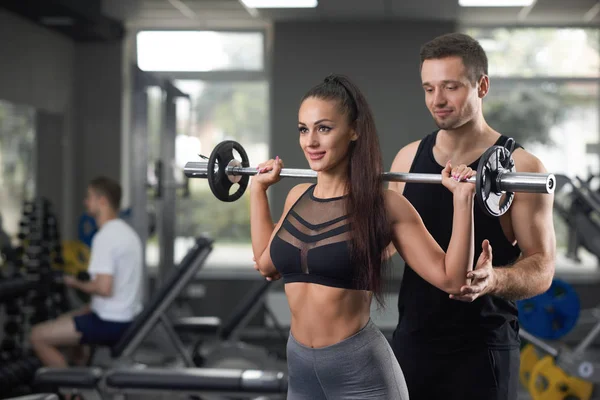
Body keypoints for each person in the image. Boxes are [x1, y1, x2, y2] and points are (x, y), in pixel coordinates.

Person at [251, 73, 492, 399]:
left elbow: (454, 280)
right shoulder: (297, 197)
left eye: (324, 128)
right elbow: (267, 264)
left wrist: (463, 201)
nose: (311, 141)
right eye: (303, 129)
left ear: (354, 130)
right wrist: (258, 191)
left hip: (360, 373)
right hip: (300, 368)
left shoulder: (385, 206)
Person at [388, 32, 556, 400]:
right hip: (413, 345)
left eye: (450, 87)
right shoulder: (407, 160)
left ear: (482, 86)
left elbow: (543, 267)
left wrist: (493, 279)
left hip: (484, 350)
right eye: (429, 88)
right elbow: (386, 244)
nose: (437, 100)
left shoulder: (522, 167)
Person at [30, 176, 144, 370]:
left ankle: (72, 392)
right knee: (65, 320)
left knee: (37, 335)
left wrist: (73, 282)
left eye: (89, 197)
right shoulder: (127, 233)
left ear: (102, 201)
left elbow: (103, 288)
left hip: (110, 323)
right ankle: (82, 374)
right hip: (124, 316)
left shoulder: (105, 236)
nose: (85, 202)